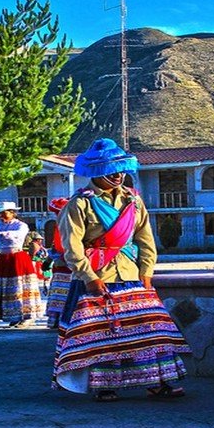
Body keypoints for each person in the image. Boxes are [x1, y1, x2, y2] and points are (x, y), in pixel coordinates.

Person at [54, 138, 191, 402]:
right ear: (97, 172)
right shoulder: (79, 205)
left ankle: (158, 382)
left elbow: (145, 240)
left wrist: (146, 272)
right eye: (111, 171)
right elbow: (72, 248)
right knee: (103, 334)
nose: (118, 176)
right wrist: (89, 277)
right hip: (97, 277)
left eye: (121, 170)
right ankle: (104, 384)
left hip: (131, 277)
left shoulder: (134, 202)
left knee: (149, 330)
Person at [44, 197, 72, 330]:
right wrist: (48, 260)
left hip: (72, 265)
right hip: (60, 266)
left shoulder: (74, 225)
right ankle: (57, 319)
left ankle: (66, 320)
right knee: (59, 293)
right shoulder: (59, 226)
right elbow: (56, 246)